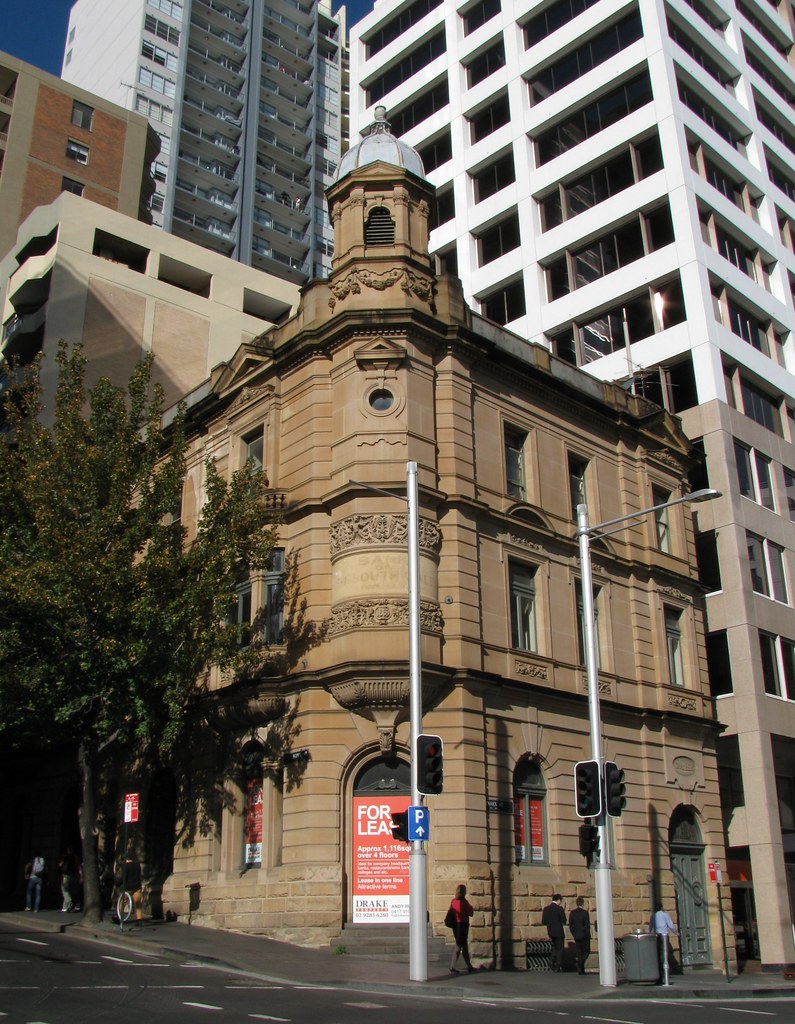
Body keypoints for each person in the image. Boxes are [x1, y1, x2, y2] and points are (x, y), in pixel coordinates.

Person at [649, 901, 678, 985]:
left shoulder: (653, 916)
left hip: (657, 936)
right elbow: (671, 925)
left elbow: (650, 927)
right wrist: (676, 933)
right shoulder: (665, 915)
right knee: (664, 956)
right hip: (664, 936)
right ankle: (665, 977)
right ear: (661, 907)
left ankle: (659, 977)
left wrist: (650, 935)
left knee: (658, 956)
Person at [449, 883, 475, 974]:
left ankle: (469, 966)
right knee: (459, 945)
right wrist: (471, 908)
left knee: (464, 946)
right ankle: (452, 966)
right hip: (462, 926)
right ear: (464, 892)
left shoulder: (453, 901)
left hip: (455, 926)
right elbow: (470, 913)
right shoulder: (464, 902)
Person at [541, 893, 567, 971]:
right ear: (558, 900)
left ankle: (551, 961)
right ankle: (558, 965)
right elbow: (564, 920)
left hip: (550, 931)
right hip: (559, 932)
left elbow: (544, 921)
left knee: (555, 947)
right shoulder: (559, 909)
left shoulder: (546, 909)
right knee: (560, 949)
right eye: (561, 901)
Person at [568, 896, 591, 974]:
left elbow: (570, 925)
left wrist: (574, 933)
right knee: (587, 951)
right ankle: (580, 963)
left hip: (577, 936)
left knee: (579, 952)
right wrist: (587, 935)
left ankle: (581, 970)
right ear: (583, 903)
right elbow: (587, 925)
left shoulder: (572, 913)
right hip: (584, 936)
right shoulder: (585, 913)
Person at [120, 851, 144, 925]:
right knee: (138, 904)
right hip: (137, 886)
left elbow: (124, 877)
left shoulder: (125, 866)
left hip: (128, 887)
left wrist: (119, 883)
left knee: (123, 902)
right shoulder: (137, 865)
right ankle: (139, 919)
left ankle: (120, 916)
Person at [58, 847, 79, 912]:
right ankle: (65, 907)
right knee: (71, 891)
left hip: (65, 876)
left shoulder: (65, 857)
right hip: (73, 876)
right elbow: (78, 866)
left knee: (65, 891)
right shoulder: (75, 857)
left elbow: (60, 865)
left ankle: (69, 902)